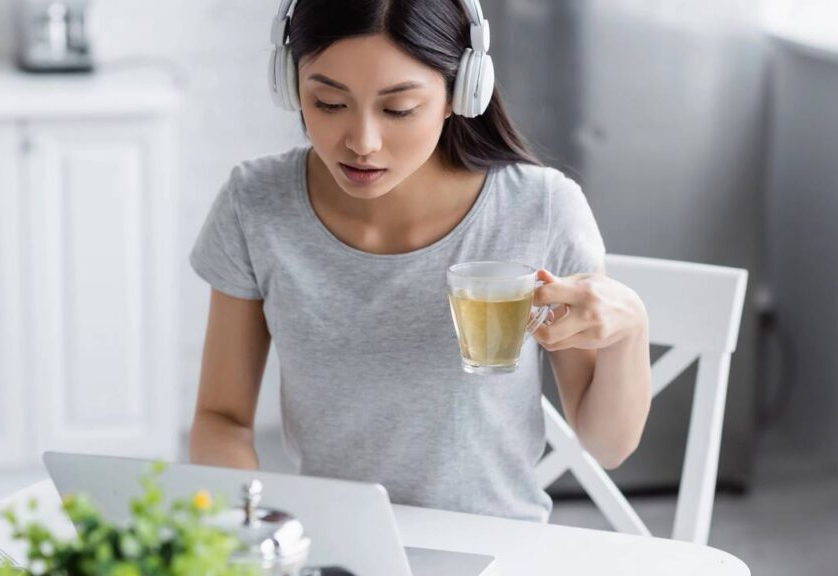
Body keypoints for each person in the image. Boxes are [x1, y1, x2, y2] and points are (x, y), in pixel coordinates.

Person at [188, 0, 651, 523]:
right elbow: (221, 418)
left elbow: (607, 445)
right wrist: (246, 522)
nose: (362, 142)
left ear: (461, 93)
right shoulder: (255, 204)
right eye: (328, 103)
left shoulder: (539, 209)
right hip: (341, 546)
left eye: (399, 109)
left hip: (492, 550)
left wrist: (629, 329)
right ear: (289, 83)